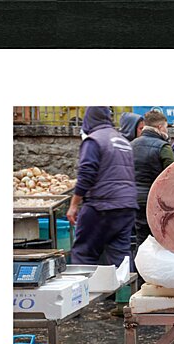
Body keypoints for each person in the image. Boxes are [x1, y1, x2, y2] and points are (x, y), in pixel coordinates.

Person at [66, 106, 137, 267]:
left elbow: (86, 174)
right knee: (120, 260)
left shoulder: (94, 140)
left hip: (102, 205)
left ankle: (85, 291)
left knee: (84, 254)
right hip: (127, 207)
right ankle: (125, 291)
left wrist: (74, 204)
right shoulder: (123, 141)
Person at [130, 109, 174, 251]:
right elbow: (172, 176)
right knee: (159, 240)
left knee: (141, 239)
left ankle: (139, 271)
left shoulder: (131, 145)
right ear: (160, 127)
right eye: (166, 128)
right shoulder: (163, 147)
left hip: (134, 199)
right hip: (156, 200)